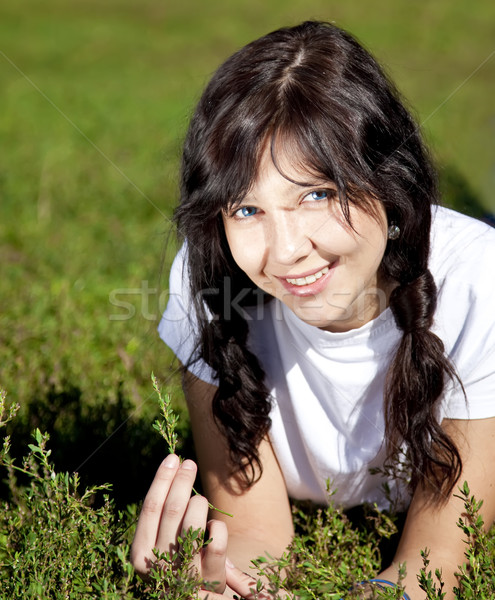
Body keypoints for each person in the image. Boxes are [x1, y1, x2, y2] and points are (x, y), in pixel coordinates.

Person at [131, 21, 495, 599]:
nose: (286, 251)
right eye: (246, 210)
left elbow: (436, 562)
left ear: (390, 181)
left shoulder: (481, 280)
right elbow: (254, 532)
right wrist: (226, 583)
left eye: (317, 195)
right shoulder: (206, 277)